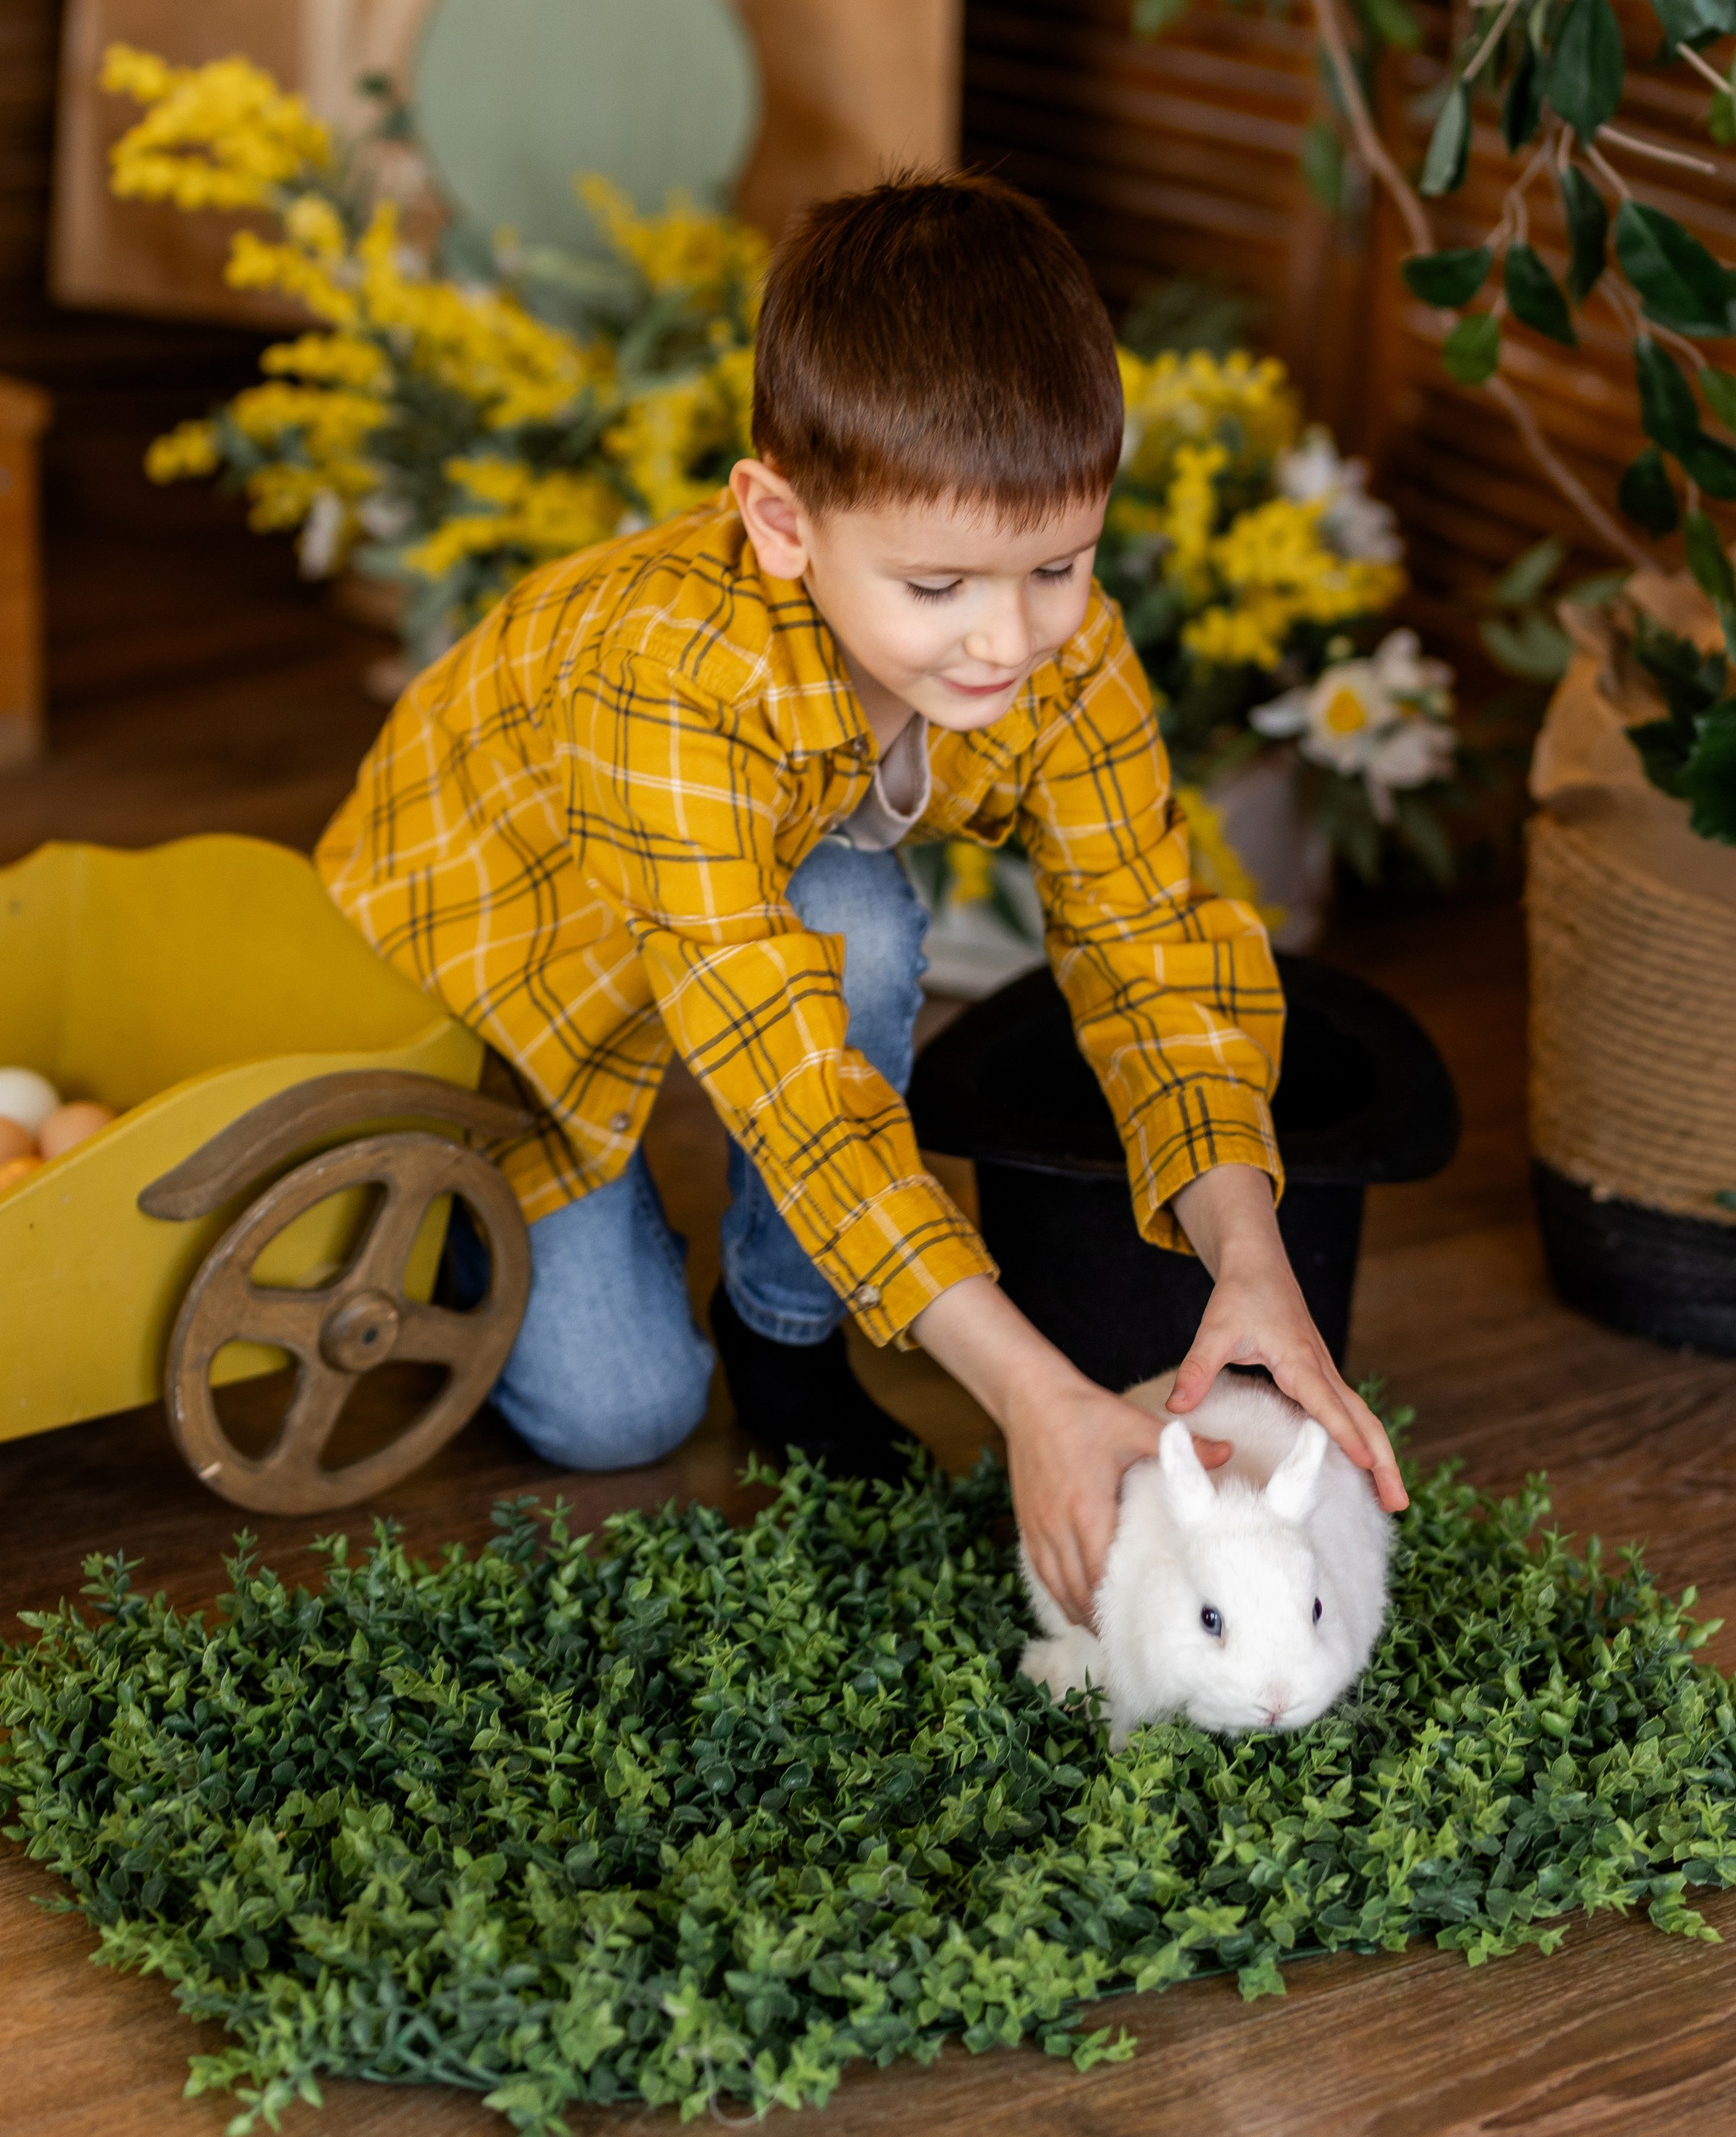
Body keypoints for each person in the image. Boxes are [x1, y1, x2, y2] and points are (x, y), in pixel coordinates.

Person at [317, 174, 1407, 1615]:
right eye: (939, 586)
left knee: (862, 924)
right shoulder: (662, 675)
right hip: (497, 957)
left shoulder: (1058, 647)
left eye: (1057, 563)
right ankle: (482, 1217)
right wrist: (1034, 1394)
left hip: (719, 902)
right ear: (782, 521)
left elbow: (1151, 946)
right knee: (618, 1418)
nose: (1007, 638)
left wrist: (1251, 1259)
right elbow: (787, 1077)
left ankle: (785, 1333)